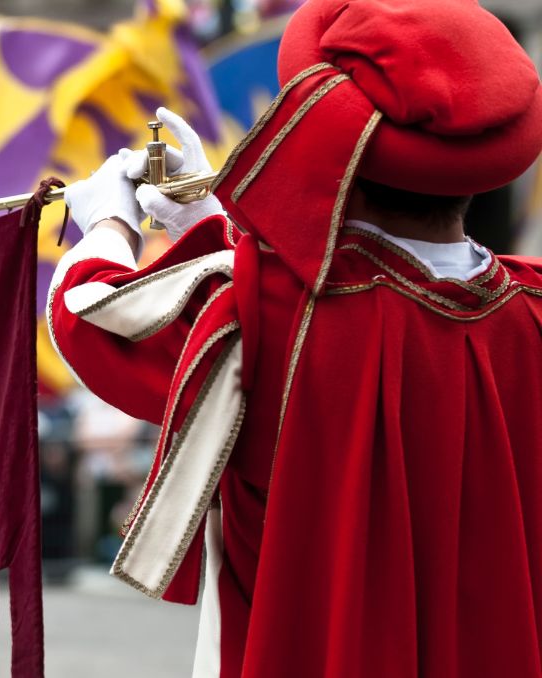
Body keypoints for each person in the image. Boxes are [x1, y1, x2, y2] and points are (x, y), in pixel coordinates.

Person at [52, 0, 542, 675]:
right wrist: (208, 216)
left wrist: (108, 222)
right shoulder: (532, 307)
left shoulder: (264, 311)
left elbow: (95, 320)